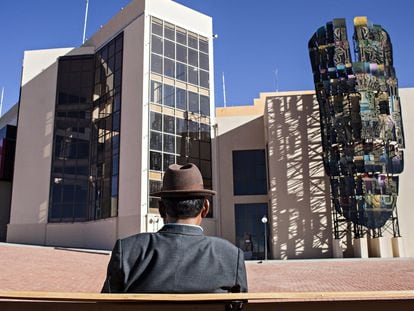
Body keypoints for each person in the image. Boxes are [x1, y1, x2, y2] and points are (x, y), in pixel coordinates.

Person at [102, 163, 248, 293]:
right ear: (205, 208)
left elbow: (105, 306)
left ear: (161, 209)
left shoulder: (127, 251)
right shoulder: (231, 256)